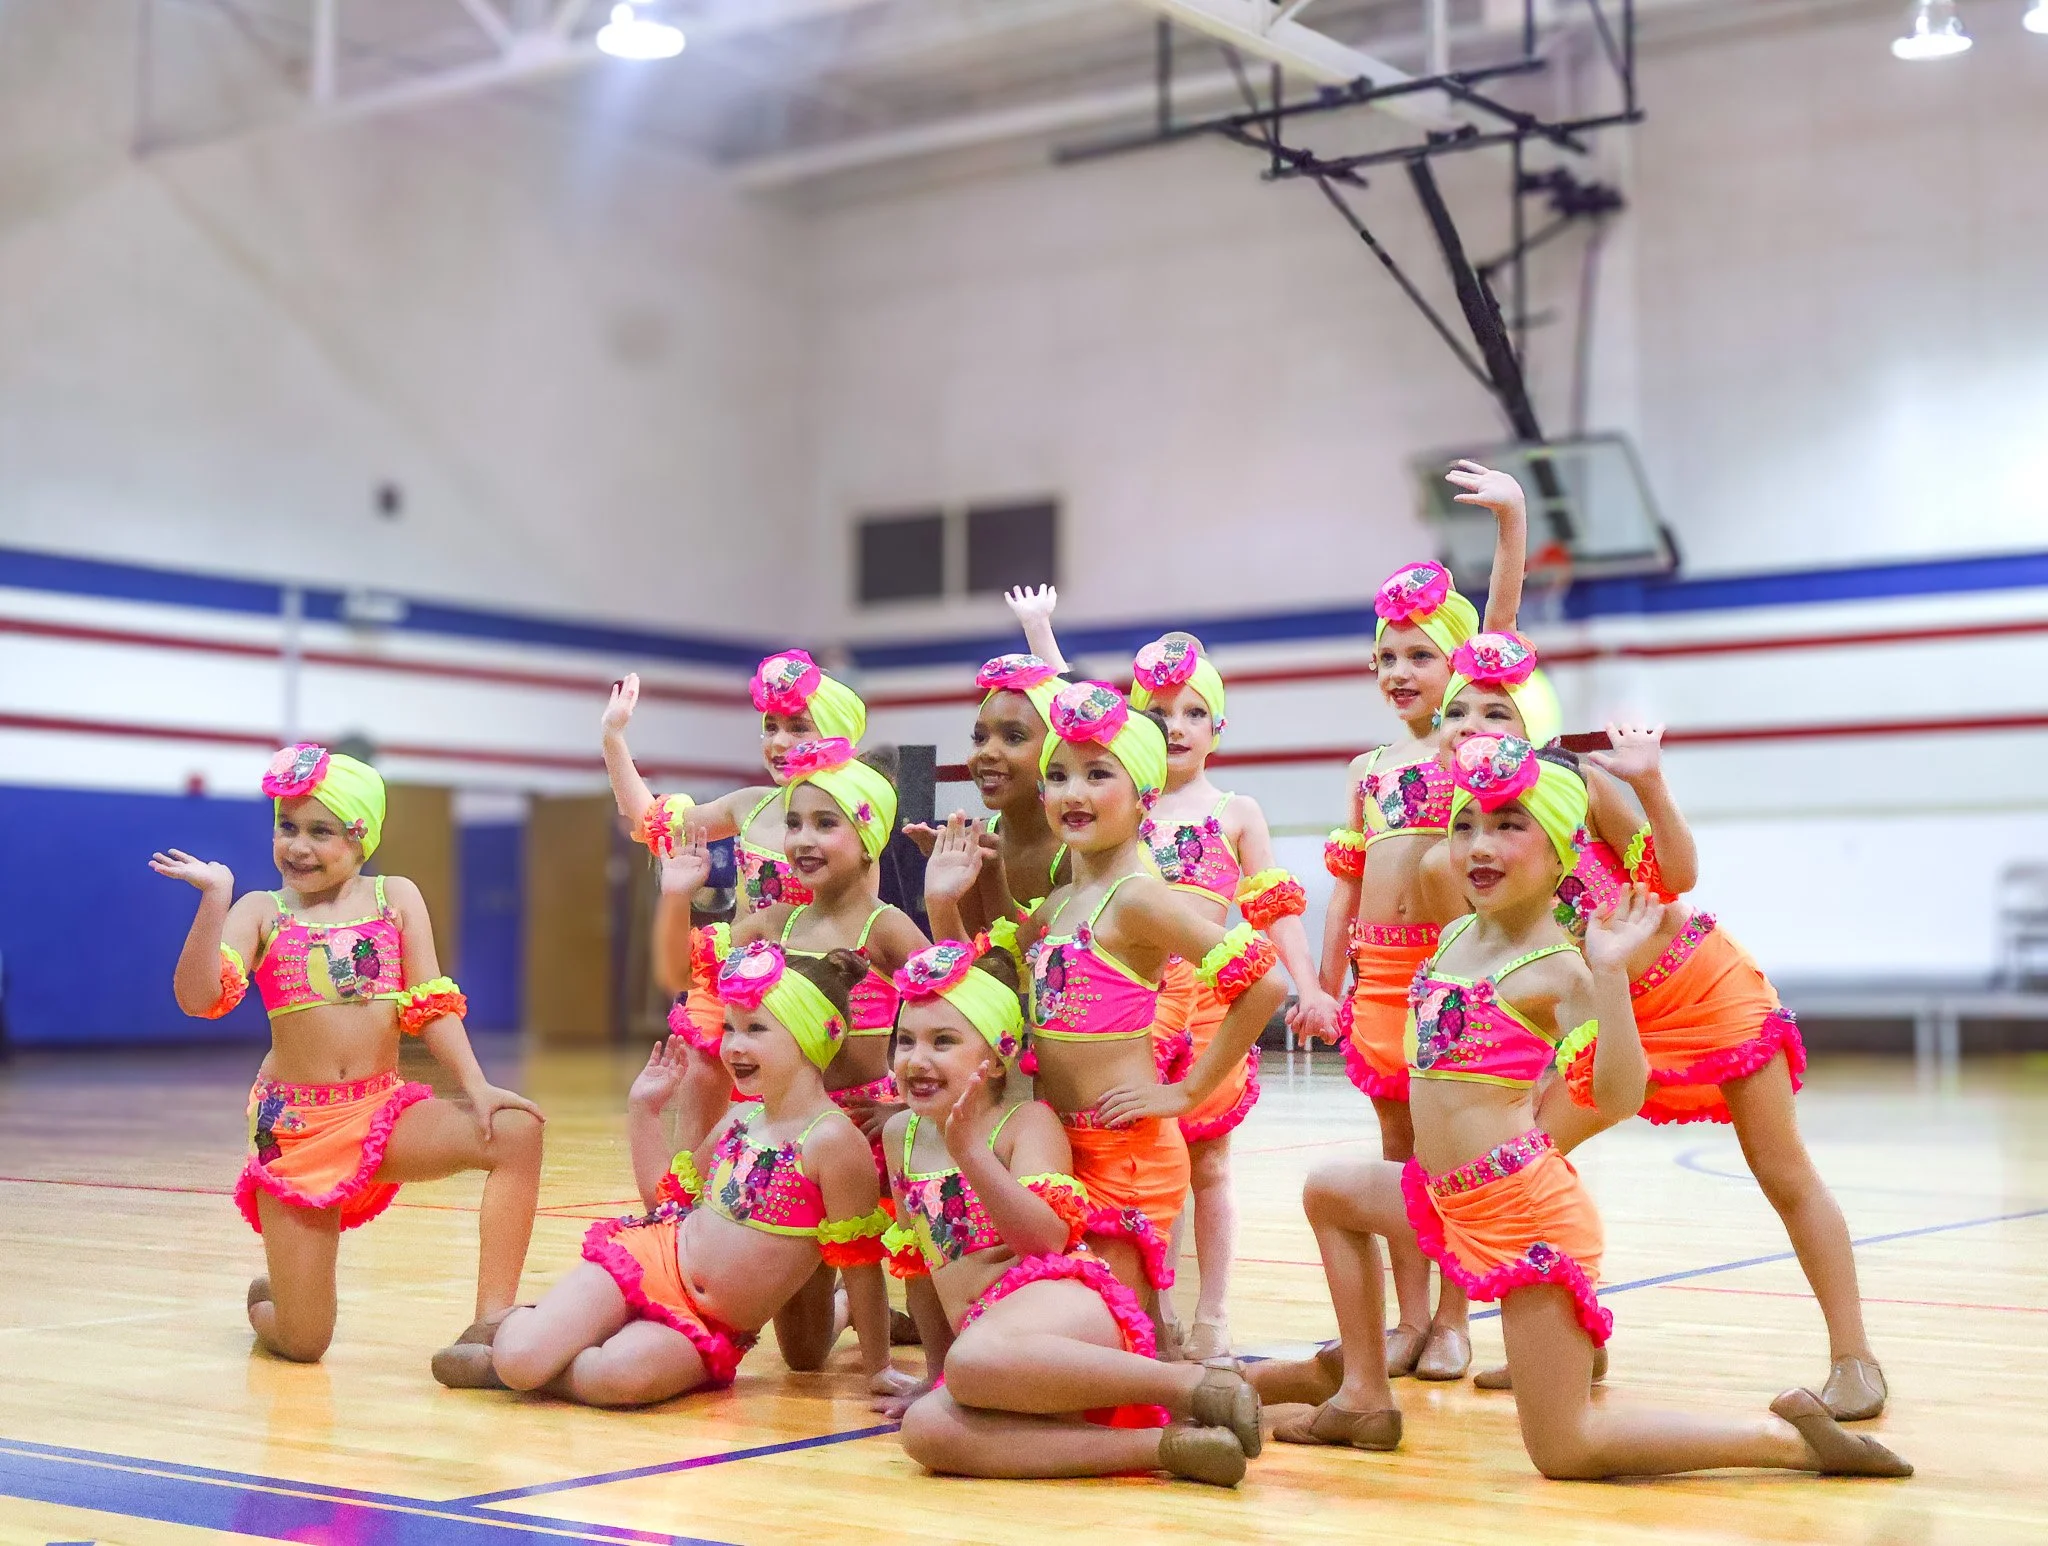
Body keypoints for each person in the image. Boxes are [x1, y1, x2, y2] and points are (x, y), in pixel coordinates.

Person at [1261, 734, 1911, 1481]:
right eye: (1466, 821)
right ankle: (1452, 1368)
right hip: (1528, 1101)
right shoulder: (1467, 901)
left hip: (1682, 988)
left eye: (1508, 823)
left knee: (1778, 1172)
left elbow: (1667, 895)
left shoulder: (1579, 809)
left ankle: (1817, 1394)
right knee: (1427, 1172)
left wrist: (1649, 793)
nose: (1480, 838)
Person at [1435, 633, 1885, 1418]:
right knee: (1533, 1155)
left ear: (1534, 725)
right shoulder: (1472, 834)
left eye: (1496, 711)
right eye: (1459, 712)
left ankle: (1855, 1358)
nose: (1475, 724)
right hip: (1604, 1007)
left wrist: (1650, 782)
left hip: (1701, 981)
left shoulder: (1582, 785)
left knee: (1781, 1170)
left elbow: (1674, 875)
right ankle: (1576, 1335)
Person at [152, 743, 544, 1381]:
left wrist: (478, 1088)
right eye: (287, 827)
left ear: (362, 836)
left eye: (320, 831)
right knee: (305, 1344)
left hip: (380, 1111)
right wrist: (214, 899)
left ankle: (492, 1326)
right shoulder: (261, 912)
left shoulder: (396, 898)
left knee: (516, 1132)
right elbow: (200, 1000)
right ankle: (273, 1297)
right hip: (295, 1130)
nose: (298, 847)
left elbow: (429, 1005)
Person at [926, 683, 1289, 1314]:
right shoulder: (1063, 903)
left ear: (1145, 794)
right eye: (1059, 776)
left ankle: (1220, 1396)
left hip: (1127, 1156)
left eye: (1098, 774)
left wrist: (1185, 1092)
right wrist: (945, 902)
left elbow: (1267, 982)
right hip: (1057, 1151)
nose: (1074, 793)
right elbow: (981, 989)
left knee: (1118, 1347)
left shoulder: (1138, 897)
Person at [882, 936, 1264, 1486]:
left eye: (943, 1041)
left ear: (996, 1056)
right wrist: (936, 1373)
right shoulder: (901, 1134)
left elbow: (1045, 1240)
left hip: (1062, 1308)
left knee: (973, 1363)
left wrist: (971, 1155)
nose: (918, 1059)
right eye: (905, 1041)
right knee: (925, 1430)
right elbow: (919, 1266)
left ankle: (1191, 1386)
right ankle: (1170, 1446)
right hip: (989, 1352)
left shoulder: (1026, 1122)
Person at [1317, 460, 1529, 1380]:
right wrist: (1326, 984)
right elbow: (1346, 881)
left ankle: (1456, 1320)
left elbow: (1503, 630)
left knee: (1450, 1148)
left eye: (1419, 655)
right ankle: (1410, 1317)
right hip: (1378, 977)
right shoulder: (1368, 768)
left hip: (1451, 974)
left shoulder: (1468, 746)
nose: (1399, 671)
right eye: (1385, 657)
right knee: (1398, 1156)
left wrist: (1511, 526)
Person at [485, 944, 903, 1405]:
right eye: (730, 1028)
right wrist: (643, 1112)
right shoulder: (738, 1121)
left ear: (812, 1036)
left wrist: (879, 1366)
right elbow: (666, 1203)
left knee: (616, 1378)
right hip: (648, 1259)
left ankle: (536, 1357)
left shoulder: (835, 1142)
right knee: (520, 1359)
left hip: (707, 1324)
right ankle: (526, 1348)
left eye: (756, 1029)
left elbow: (863, 1265)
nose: (734, 1045)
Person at [662, 738, 928, 1375]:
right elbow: (682, 972)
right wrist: (677, 897)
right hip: (786, 1133)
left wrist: (897, 1096)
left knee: (880, 1248)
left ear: (867, 837)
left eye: (825, 824)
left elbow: (950, 1008)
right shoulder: (768, 926)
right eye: (794, 823)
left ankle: (892, 1326)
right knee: (804, 1358)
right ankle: (852, 1307)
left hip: (858, 1133)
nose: (803, 839)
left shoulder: (885, 927)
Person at [601, 651, 868, 1153]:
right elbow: (655, 825)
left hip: (812, 986)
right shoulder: (749, 805)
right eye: (770, 727)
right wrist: (614, 739)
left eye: (799, 727)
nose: (780, 741)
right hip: (735, 975)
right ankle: (689, 1206)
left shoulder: (857, 816)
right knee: (703, 1074)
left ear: (836, 732)